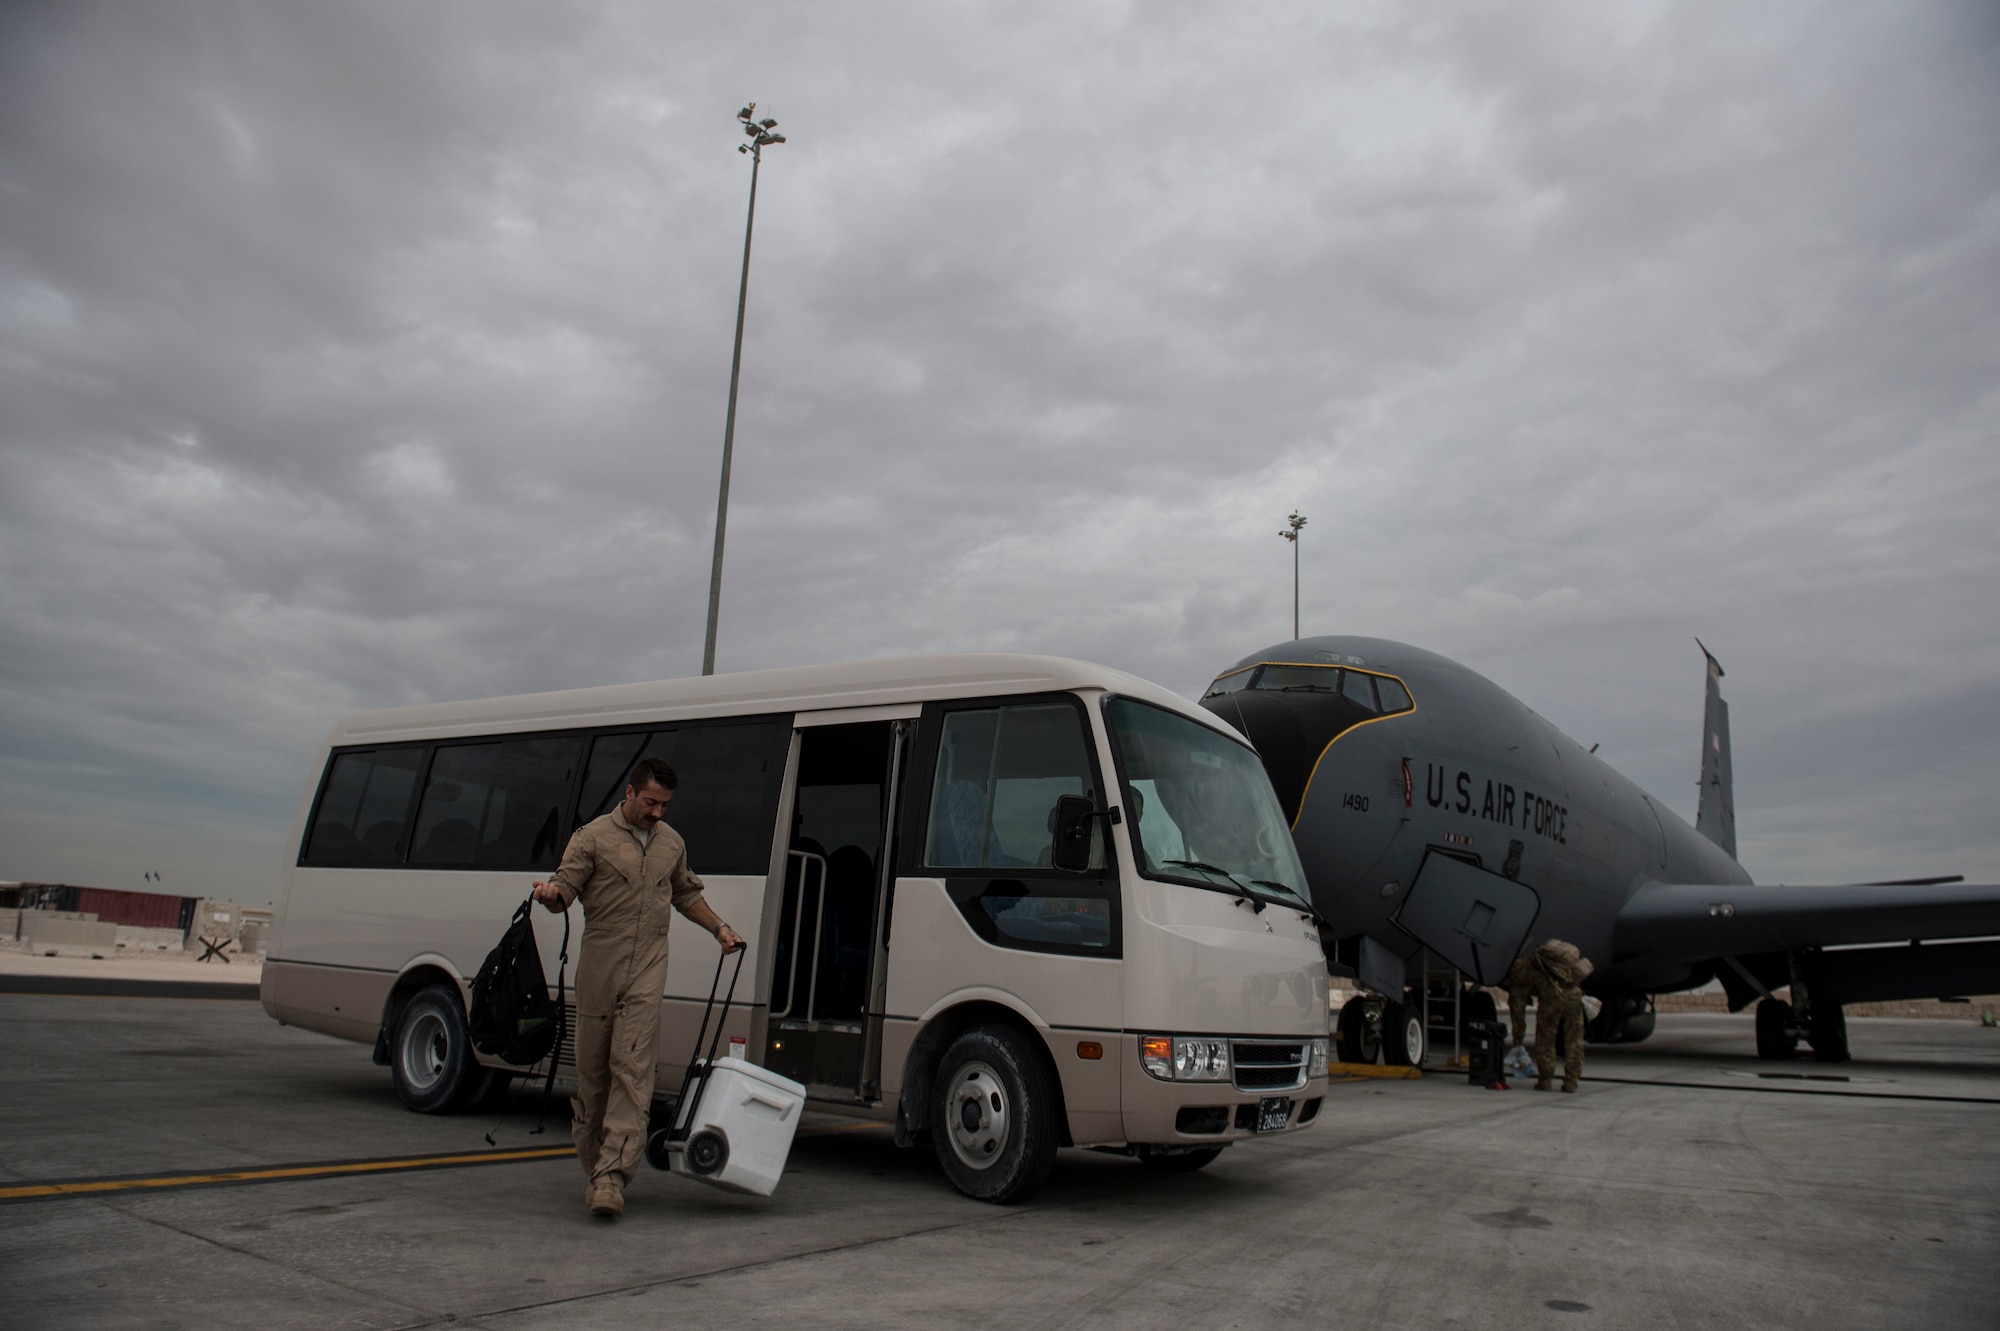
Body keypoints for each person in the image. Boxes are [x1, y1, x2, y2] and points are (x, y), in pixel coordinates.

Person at [531, 757, 743, 1219]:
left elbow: (686, 892)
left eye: (665, 805)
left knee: (633, 1071)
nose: (658, 814)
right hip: (599, 972)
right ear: (629, 794)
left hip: (647, 971)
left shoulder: (671, 844)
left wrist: (720, 929)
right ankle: (596, 1167)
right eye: (651, 803)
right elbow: (564, 890)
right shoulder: (591, 839)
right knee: (594, 1076)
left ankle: (612, 1177)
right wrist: (550, 898)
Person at [1505, 938, 1594, 1093]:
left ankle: (1545, 1081)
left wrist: (1518, 1038)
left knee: (1546, 1042)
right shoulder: (1543, 960)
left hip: (1552, 999)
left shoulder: (1521, 974)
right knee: (1574, 1041)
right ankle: (1571, 1082)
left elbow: (1517, 1010)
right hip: (1574, 996)